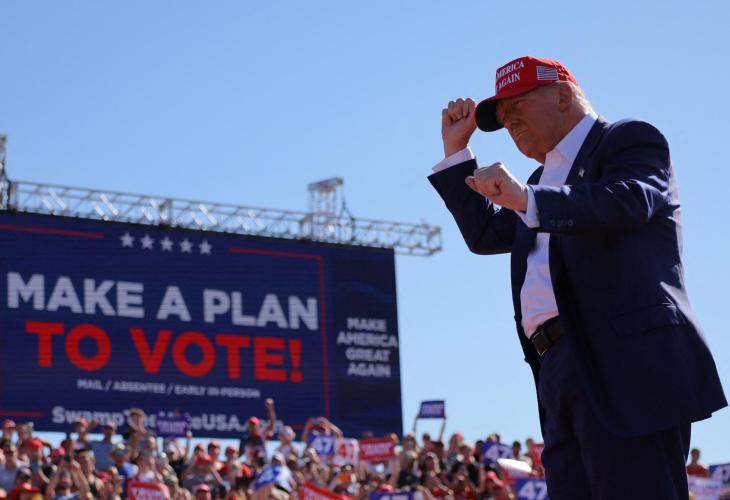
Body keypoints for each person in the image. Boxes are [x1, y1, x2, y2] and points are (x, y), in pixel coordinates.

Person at [428, 55, 727, 499]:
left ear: (563, 96)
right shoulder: (539, 179)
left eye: (517, 107)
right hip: (557, 368)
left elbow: (629, 201)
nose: (510, 123)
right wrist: (457, 153)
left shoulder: (626, 139)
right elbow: (486, 233)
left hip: (624, 363)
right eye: (503, 118)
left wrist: (528, 199)